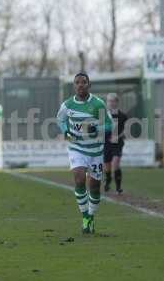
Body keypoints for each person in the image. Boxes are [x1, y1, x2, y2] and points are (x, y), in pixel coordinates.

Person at [57, 72, 113, 234]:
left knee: (94, 187)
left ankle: (91, 216)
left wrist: (97, 128)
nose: (80, 85)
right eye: (77, 82)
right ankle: (85, 217)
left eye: (83, 82)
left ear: (89, 85)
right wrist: (66, 131)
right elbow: (60, 120)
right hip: (76, 148)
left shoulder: (98, 104)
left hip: (95, 151)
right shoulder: (67, 105)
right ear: (74, 86)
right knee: (79, 178)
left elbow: (110, 126)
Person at [103, 93, 127, 194]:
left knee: (116, 163)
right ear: (106, 103)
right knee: (107, 165)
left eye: (113, 101)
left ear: (117, 102)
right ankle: (108, 180)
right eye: (109, 101)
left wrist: (118, 136)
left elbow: (126, 131)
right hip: (105, 143)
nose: (111, 103)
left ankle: (118, 187)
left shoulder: (123, 116)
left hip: (117, 143)